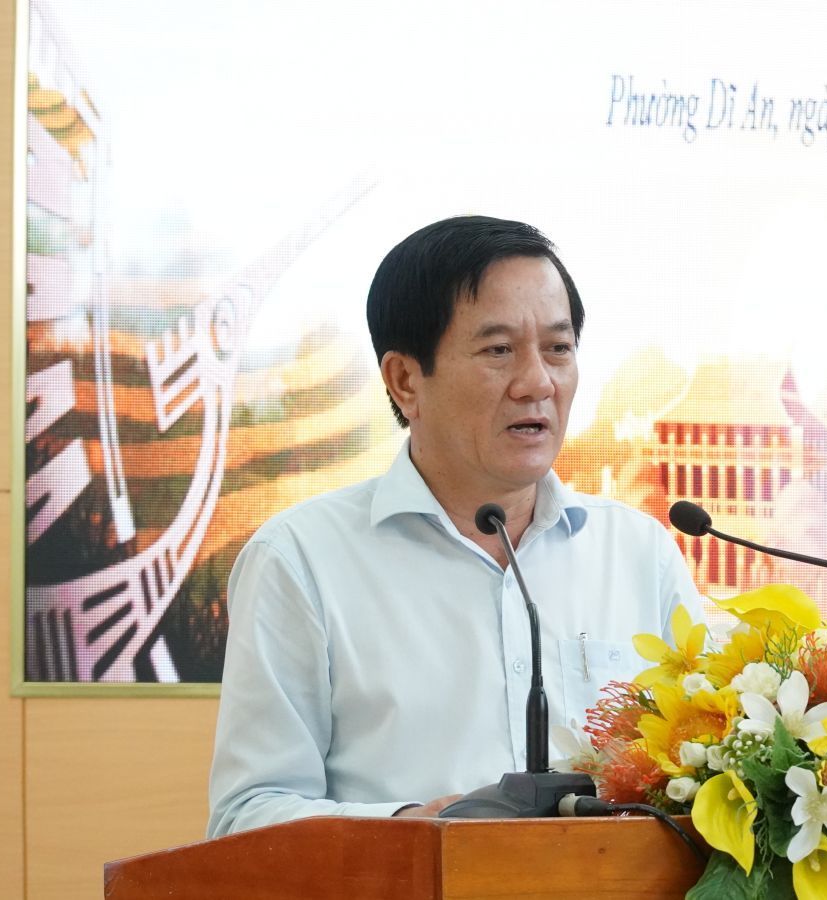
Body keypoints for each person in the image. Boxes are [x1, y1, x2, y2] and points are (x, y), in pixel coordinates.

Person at [207, 216, 702, 837]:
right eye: (498, 351)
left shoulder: (638, 552)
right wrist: (411, 829)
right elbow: (247, 814)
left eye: (558, 348)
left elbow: (710, 771)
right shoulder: (302, 559)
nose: (538, 382)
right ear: (405, 380)